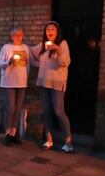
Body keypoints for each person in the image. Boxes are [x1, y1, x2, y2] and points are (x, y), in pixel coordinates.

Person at [29, 21, 74, 153]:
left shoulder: (63, 44)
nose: (49, 30)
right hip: (43, 82)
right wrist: (18, 48)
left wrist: (57, 49)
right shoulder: (42, 46)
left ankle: (68, 142)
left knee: (58, 111)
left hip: (57, 82)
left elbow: (65, 62)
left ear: (57, 32)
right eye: (47, 28)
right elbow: (30, 52)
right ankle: (49, 140)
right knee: (46, 111)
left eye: (52, 28)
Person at [0, 27, 29, 145]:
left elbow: (29, 63)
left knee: (17, 109)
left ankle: (13, 134)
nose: (17, 37)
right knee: (10, 108)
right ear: (11, 36)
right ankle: (7, 133)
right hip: (8, 82)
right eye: (15, 34)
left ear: (23, 36)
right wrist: (8, 62)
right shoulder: (6, 47)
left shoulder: (25, 48)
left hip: (22, 83)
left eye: (20, 34)